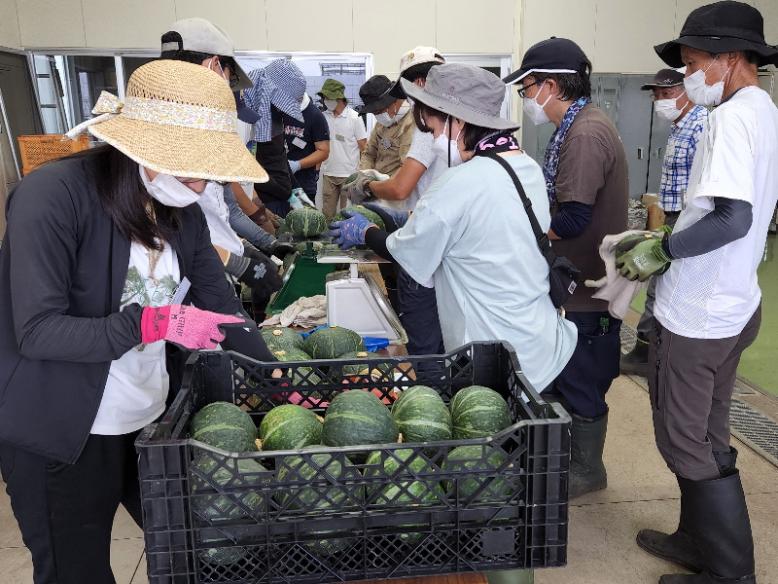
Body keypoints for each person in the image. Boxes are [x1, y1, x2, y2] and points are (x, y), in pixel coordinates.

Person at [0, 60, 277, 584]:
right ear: (140, 149)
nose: (200, 184)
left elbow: (223, 310)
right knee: (75, 573)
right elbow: (37, 331)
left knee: (192, 555)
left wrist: (280, 381)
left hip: (147, 422)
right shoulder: (52, 198)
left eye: (207, 171)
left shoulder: (181, 211)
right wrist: (152, 324)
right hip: (61, 433)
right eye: (189, 167)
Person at [620, 3, 778, 583]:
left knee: (683, 439)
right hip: (737, 303)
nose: (686, 76)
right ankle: (698, 541)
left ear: (729, 59)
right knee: (708, 433)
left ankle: (730, 573)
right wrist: (667, 233)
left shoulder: (730, 119)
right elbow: (723, 212)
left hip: (700, 314)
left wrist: (663, 251)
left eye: (691, 63)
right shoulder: (763, 109)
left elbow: (731, 219)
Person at [328, 63, 577, 396]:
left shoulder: (460, 183)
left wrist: (365, 233)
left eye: (432, 128)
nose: (433, 139)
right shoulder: (524, 165)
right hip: (542, 342)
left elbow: (409, 252)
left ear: (456, 121)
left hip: (496, 357)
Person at [504, 37, 628, 499]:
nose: (526, 99)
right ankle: (570, 458)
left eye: (527, 88)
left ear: (551, 86)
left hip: (586, 286)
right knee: (567, 371)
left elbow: (572, 217)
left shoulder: (586, 134)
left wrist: (520, 233)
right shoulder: (575, 128)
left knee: (582, 376)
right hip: (573, 281)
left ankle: (587, 469)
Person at [344, 47, 448, 356]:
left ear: (418, 83)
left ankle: (429, 380)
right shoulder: (437, 124)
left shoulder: (425, 127)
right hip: (424, 222)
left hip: (424, 230)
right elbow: (373, 154)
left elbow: (402, 186)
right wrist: (365, 175)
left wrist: (372, 186)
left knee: (423, 327)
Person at [620, 68, 708, 376]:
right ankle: (650, 349)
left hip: (688, 220)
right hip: (672, 218)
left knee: (662, 285)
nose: (660, 100)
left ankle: (651, 352)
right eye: (656, 95)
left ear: (687, 92)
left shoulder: (701, 126)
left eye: (667, 94)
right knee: (659, 282)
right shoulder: (678, 126)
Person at [161, 17, 279, 238]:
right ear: (214, 65)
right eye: (229, 75)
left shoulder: (203, 127)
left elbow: (227, 208)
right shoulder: (185, 133)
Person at [242, 59, 308, 218]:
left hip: (283, 200)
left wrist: (301, 200)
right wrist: (259, 212)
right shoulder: (245, 119)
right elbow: (243, 170)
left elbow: (280, 159)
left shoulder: (275, 115)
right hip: (264, 206)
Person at [318, 79, 368, 218]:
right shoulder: (323, 117)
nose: (325, 101)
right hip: (329, 173)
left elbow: (364, 147)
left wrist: (363, 173)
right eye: (324, 98)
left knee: (348, 215)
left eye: (328, 97)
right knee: (327, 214)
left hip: (349, 175)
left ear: (338, 98)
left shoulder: (354, 118)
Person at [357, 75, 415, 185]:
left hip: (395, 189)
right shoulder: (382, 124)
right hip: (377, 187)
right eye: (374, 113)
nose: (377, 116)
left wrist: (383, 185)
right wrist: (365, 177)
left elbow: (407, 169)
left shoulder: (411, 123)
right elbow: (369, 153)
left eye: (378, 111)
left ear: (391, 102)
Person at [284, 90, 330, 199]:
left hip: (302, 186)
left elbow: (323, 151)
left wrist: (297, 165)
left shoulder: (314, 115)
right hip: (278, 183)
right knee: (276, 216)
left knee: (303, 216)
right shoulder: (277, 109)